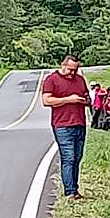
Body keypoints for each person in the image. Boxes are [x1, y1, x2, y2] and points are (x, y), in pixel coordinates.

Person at [42, 55, 90, 200]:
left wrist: (85, 100)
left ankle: (75, 189)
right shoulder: (52, 80)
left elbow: (87, 97)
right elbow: (46, 100)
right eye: (70, 70)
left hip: (79, 123)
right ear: (63, 66)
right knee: (68, 157)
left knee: (77, 157)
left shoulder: (80, 80)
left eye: (75, 70)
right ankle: (69, 191)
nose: (72, 73)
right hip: (62, 125)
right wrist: (69, 99)